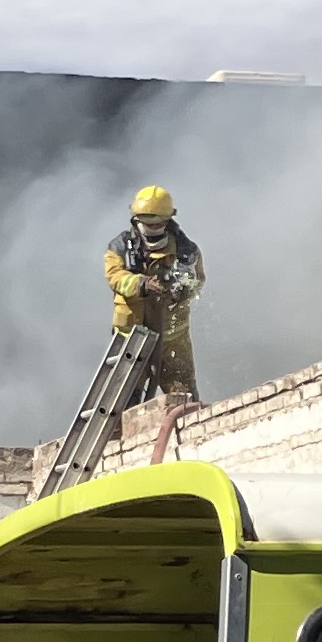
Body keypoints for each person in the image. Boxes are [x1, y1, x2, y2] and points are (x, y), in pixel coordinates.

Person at [104, 185, 205, 465]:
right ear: (136, 220)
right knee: (125, 401)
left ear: (168, 220)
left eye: (158, 223)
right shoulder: (119, 248)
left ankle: (190, 448)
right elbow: (115, 278)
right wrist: (142, 284)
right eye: (147, 223)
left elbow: (197, 279)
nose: (152, 228)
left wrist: (183, 288)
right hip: (132, 336)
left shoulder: (186, 250)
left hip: (173, 335)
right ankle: (118, 455)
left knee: (182, 395)